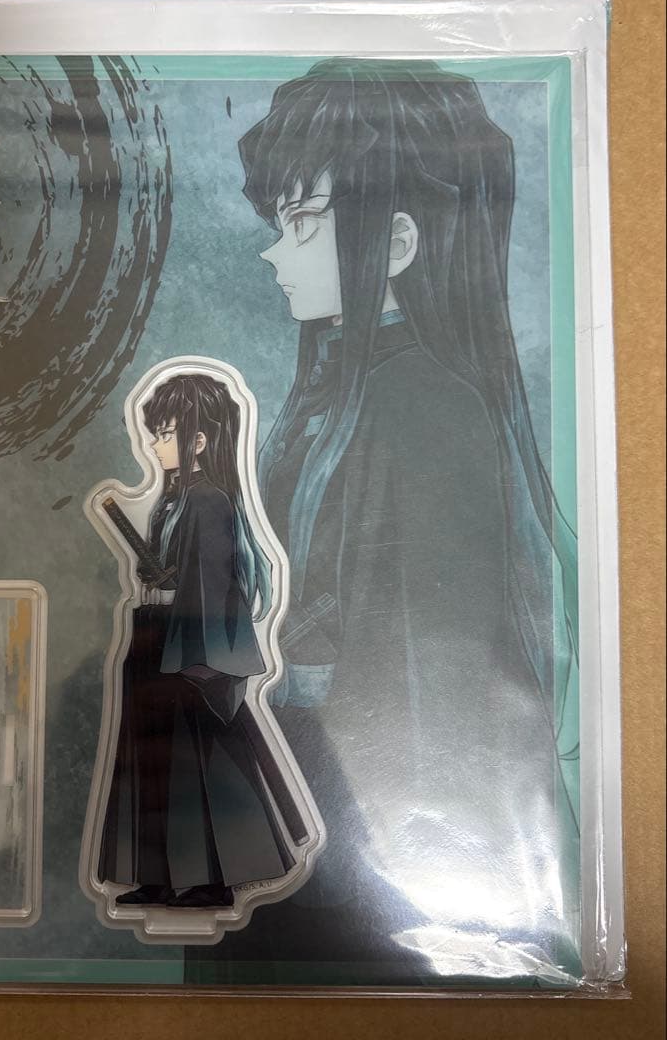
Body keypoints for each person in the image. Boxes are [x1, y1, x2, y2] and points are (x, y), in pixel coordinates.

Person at [188, 59, 580, 980]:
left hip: (360, 835)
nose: (273, 252)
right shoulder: (353, 394)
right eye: (279, 220)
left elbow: (442, 678)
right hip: (308, 805)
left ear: (397, 239)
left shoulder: (425, 407)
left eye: (302, 221)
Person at [96, 372, 299, 910]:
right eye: (155, 433)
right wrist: (156, 575)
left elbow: (212, 585)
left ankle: (212, 880)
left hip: (191, 649)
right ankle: (157, 876)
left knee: (197, 769)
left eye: (165, 433)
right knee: (152, 764)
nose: (154, 444)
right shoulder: (176, 500)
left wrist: (204, 664)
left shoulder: (209, 500)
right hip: (158, 641)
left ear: (200, 440)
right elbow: (177, 572)